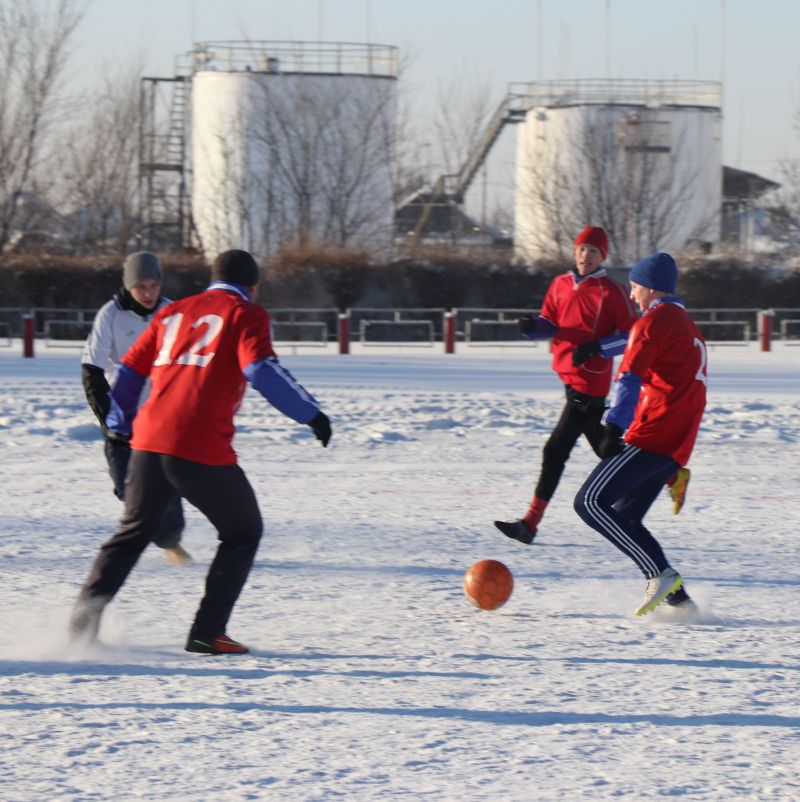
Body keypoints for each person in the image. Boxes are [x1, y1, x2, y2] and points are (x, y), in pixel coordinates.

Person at [70, 249, 332, 655]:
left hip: (147, 440)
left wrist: (120, 424)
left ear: (213, 280)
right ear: (252, 286)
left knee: (131, 534)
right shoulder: (246, 313)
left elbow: (129, 370)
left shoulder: (173, 312)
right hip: (198, 444)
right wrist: (310, 413)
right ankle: (207, 633)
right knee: (243, 532)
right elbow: (260, 369)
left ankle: (79, 630)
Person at [573, 252, 707, 616]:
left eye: (634, 287)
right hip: (677, 442)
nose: (632, 295)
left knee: (589, 503)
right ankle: (680, 604)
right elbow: (670, 383)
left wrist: (613, 426)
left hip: (654, 435)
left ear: (650, 288)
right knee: (627, 517)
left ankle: (658, 574)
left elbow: (629, 377)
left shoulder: (653, 322)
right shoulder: (688, 325)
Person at [494, 226, 639, 544]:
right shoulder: (560, 283)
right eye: (582, 249)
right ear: (575, 252)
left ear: (603, 256)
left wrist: (597, 348)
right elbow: (550, 323)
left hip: (590, 382)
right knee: (606, 447)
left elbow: (632, 337)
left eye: (593, 251)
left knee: (555, 450)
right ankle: (665, 475)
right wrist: (533, 327)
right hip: (568, 377)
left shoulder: (611, 291)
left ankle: (530, 523)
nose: (586, 255)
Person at [82, 251, 191, 566]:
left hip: (162, 417)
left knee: (167, 488)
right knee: (127, 488)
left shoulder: (173, 313)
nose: (148, 293)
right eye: (140, 286)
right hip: (123, 416)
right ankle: (161, 534)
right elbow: (92, 371)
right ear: (128, 286)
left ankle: (171, 541)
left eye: (154, 285)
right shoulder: (110, 315)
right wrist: (108, 421)